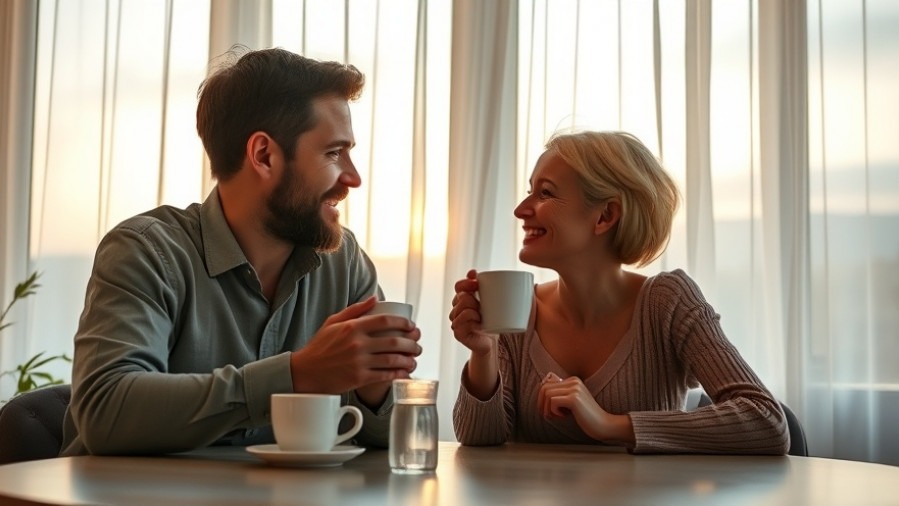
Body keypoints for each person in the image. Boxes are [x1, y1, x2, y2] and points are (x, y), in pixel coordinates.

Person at [60, 47, 422, 456]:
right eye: (334, 153)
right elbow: (106, 410)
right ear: (264, 155)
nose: (353, 178)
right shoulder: (146, 251)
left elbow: (389, 437)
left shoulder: (344, 263)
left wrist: (375, 389)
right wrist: (296, 374)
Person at [448, 130, 789, 454]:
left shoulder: (668, 302)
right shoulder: (517, 308)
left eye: (545, 193)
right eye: (530, 191)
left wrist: (609, 424)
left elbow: (766, 421)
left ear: (605, 216)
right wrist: (483, 352)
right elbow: (480, 440)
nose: (521, 210)